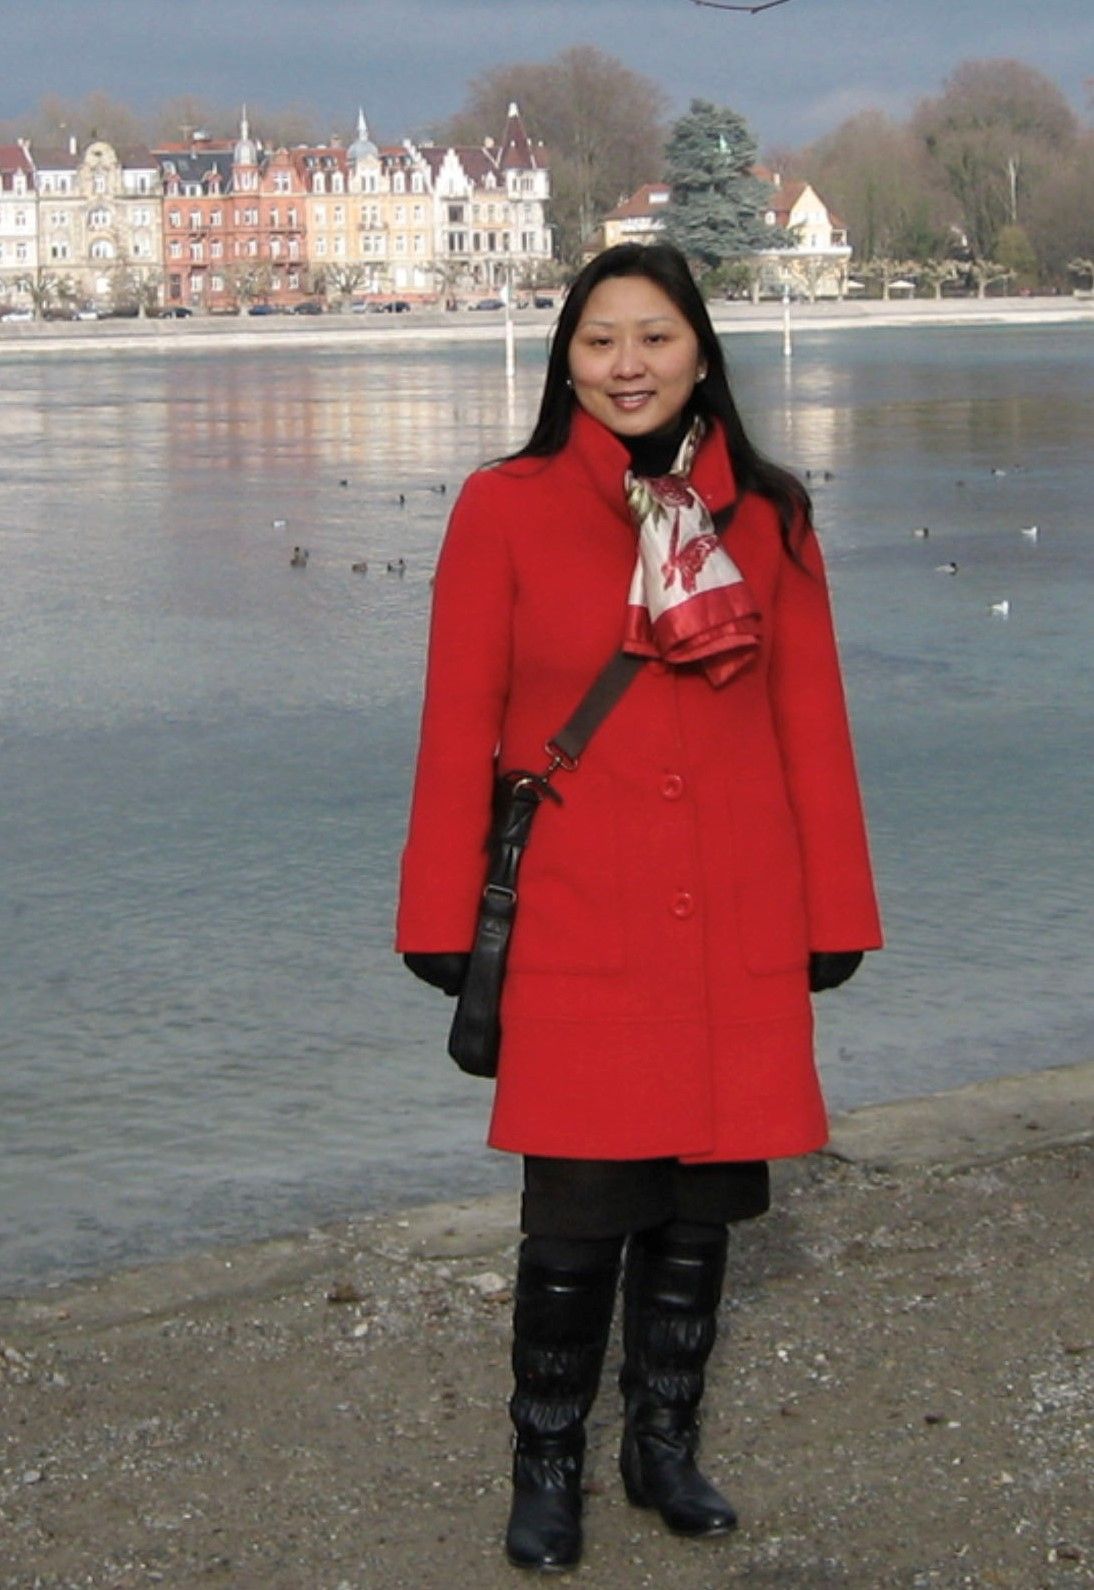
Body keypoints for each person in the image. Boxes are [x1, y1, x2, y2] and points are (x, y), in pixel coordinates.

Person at [396, 242, 882, 1571]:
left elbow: (810, 723)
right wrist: (438, 913)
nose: (627, 365)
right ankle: (546, 1463)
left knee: (696, 1210)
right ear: (566, 360)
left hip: (732, 907)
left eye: (655, 337)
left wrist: (833, 908)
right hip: (577, 911)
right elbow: (458, 723)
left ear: (700, 353)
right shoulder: (502, 506)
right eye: (600, 339)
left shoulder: (768, 514)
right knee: (573, 1211)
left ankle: (663, 1445)